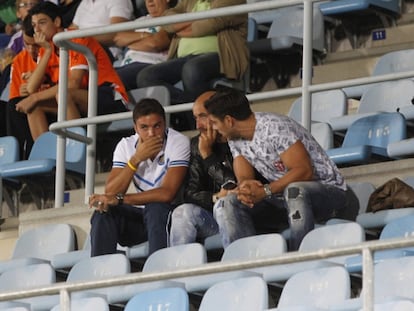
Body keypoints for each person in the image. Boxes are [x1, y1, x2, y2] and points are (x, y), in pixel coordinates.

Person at [204, 88, 355, 251]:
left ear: (229, 120)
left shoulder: (275, 127)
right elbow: (243, 172)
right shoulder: (234, 137)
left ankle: (301, 258)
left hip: (328, 194)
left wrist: (266, 191)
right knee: (229, 203)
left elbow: (304, 171)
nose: (212, 128)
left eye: (214, 122)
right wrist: (245, 187)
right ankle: (245, 263)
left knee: (295, 190)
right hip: (282, 199)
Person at [88, 98, 190, 256]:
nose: (151, 133)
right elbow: (111, 192)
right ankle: (100, 272)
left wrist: (121, 199)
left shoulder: (178, 142)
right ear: (135, 127)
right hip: (140, 219)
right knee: (104, 212)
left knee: (155, 207)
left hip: (170, 215)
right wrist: (135, 160)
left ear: (165, 123)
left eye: (157, 126)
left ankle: (158, 272)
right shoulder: (125, 145)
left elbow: (167, 193)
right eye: (144, 127)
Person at [15, 2, 129, 140]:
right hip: (77, 97)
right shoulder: (46, 46)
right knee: (34, 106)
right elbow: (32, 89)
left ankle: (76, 153)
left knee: (61, 95)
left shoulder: (76, 38)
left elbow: (73, 83)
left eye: (42, 23)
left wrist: (34, 98)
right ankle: (46, 155)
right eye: (34, 25)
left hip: (108, 93)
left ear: (56, 22)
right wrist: (47, 52)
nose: (37, 30)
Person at [136, 0, 249, 105]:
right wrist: (196, 20)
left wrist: (179, 26)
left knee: (192, 69)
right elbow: (167, 18)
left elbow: (209, 24)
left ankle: (199, 113)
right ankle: (193, 110)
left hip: (221, 56)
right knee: (146, 77)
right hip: (184, 59)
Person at [169, 90, 235, 247]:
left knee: (224, 205)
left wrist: (208, 157)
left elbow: (234, 185)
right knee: (182, 212)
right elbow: (190, 194)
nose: (198, 125)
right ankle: (180, 268)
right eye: (195, 118)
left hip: (242, 213)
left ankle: (234, 266)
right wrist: (215, 197)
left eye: (203, 116)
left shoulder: (239, 139)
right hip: (213, 216)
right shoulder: (196, 145)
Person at [113, 0, 172, 91]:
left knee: (112, 80)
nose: (149, 2)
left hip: (149, 65)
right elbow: (118, 38)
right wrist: (144, 36)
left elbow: (155, 43)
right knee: (93, 79)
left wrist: (129, 41)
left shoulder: (172, 17)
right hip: (126, 65)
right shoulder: (140, 20)